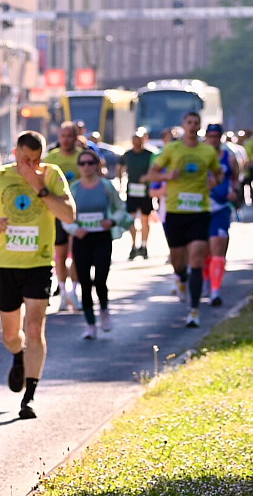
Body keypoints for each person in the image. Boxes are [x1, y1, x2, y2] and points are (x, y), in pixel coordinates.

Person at [0, 131, 75, 420]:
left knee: (35, 328)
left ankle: (29, 397)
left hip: (39, 264)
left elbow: (68, 215)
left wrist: (39, 186)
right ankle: (18, 355)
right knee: (11, 335)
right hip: (6, 266)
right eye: (26, 159)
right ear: (15, 153)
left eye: (36, 160)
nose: (31, 165)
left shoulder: (51, 175)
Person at [148, 111, 223, 328]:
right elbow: (153, 174)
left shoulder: (207, 151)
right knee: (178, 261)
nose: (192, 126)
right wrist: (167, 176)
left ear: (199, 126)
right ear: (183, 125)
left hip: (199, 211)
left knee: (197, 260)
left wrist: (214, 182)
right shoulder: (172, 149)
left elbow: (218, 174)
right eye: (189, 122)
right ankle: (181, 277)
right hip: (175, 212)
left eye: (196, 123)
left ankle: (194, 311)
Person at [63, 149, 131, 339]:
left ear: (97, 165)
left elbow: (120, 208)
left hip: (102, 238)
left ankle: (104, 310)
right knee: (84, 283)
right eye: (82, 163)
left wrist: (112, 221)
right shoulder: (74, 189)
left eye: (90, 163)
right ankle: (90, 324)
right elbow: (64, 215)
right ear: (79, 166)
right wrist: (75, 229)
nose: (86, 167)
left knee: (100, 280)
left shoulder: (106, 186)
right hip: (81, 240)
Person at [43, 122, 88, 311]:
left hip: (78, 213)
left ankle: (74, 292)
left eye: (70, 136)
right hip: (56, 213)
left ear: (76, 137)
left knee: (76, 255)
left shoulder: (83, 157)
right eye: (63, 136)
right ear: (59, 137)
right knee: (60, 255)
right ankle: (62, 293)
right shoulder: (51, 158)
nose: (66, 140)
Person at [203, 124, 239, 308]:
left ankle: (215, 291)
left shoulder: (229, 158)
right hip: (201, 208)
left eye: (216, 136)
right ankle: (206, 281)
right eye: (210, 136)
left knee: (218, 248)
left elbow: (236, 179)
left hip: (221, 208)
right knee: (203, 250)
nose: (213, 139)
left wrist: (234, 192)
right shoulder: (198, 156)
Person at [118, 130, 156, 260]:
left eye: (138, 139)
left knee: (145, 219)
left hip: (145, 192)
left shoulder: (149, 154)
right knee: (131, 219)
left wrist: (148, 178)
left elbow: (155, 168)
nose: (136, 142)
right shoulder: (127, 154)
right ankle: (134, 245)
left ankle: (144, 245)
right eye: (134, 139)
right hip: (132, 191)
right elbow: (120, 167)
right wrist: (121, 183)